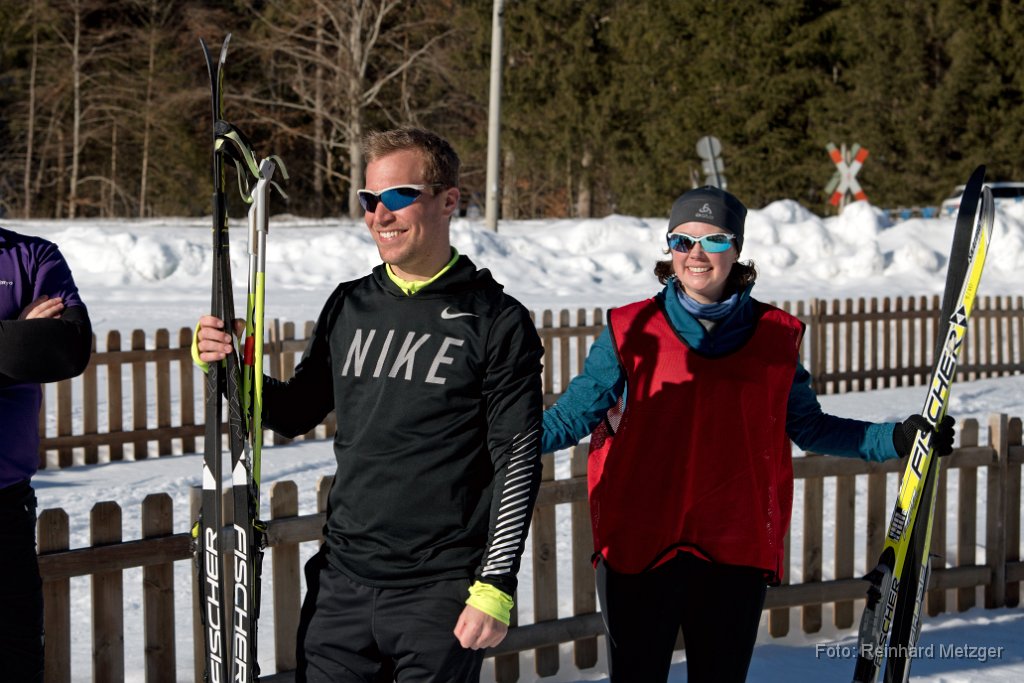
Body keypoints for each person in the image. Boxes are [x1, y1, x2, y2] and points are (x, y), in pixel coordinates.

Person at [541, 186, 956, 683]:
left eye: (713, 240)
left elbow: (810, 426)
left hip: (733, 549)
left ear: (736, 248)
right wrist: (483, 439)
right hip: (638, 546)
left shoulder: (776, 336)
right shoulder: (630, 330)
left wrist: (898, 439)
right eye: (681, 240)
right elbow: (571, 417)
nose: (695, 254)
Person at [195, 128, 544, 682]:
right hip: (341, 583)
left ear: (449, 199)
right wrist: (231, 368)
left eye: (399, 195)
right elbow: (292, 413)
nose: (380, 214)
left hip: (441, 591)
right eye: (369, 200)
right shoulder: (349, 304)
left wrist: (495, 585)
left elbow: (518, 459)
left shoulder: (496, 320)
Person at [0, 227, 92, 683]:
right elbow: (32, 348)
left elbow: (71, 348)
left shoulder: (32, 256)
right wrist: (16, 337)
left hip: (6, 504)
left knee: (16, 658)